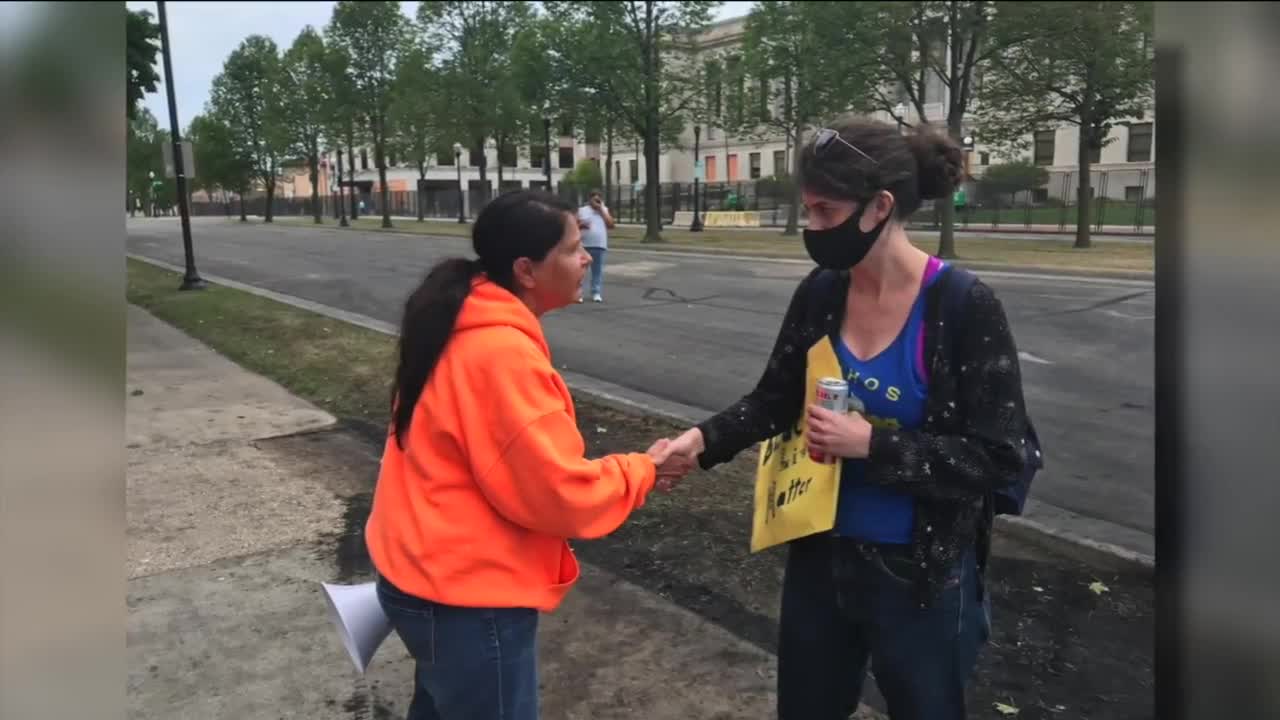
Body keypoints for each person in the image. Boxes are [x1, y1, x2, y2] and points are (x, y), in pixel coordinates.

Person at [660, 118, 1033, 720]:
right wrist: (701, 443)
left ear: (879, 207)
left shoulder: (964, 306)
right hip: (820, 556)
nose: (811, 228)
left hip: (919, 575)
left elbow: (998, 458)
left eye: (825, 212)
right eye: (806, 210)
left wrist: (872, 447)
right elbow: (774, 398)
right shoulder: (822, 291)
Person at [364, 190, 691, 720]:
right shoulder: (501, 354)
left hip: (420, 574)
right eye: (572, 248)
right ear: (526, 270)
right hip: (468, 598)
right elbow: (561, 495)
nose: (586, 258)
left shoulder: (458, 320)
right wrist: (643, 470)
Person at [576, 189, 614, 303]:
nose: (596, 199)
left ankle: (596, 292)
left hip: (599, 245)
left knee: (597, 271)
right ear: (589, 199)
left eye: (599, 197)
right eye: (594, 197)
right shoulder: (582, 210)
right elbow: (573, 225)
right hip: (583, 245)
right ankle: (578, 293)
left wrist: (601, 209)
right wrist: (581, 224)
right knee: (580, 272)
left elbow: (611, 225)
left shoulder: (604, 210)